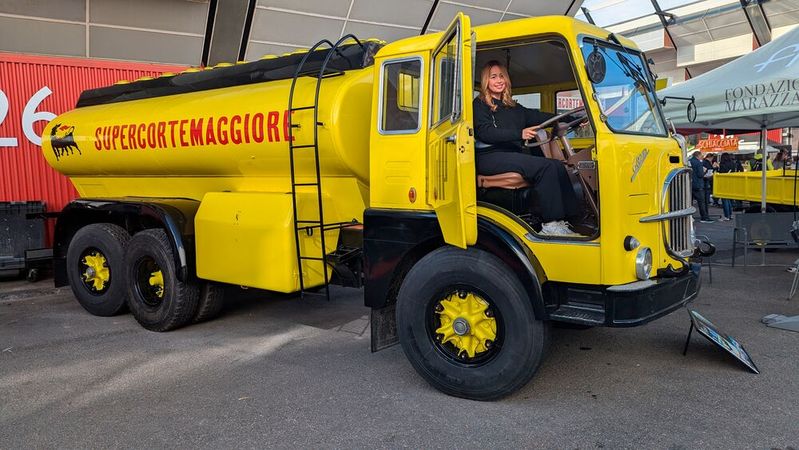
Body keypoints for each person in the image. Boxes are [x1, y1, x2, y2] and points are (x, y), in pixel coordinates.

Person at [472, 60, 581, 236]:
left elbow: (540, 116)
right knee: (545, 167)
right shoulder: (479, 105)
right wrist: (519, 134)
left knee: (556, 165)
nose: (499, 80)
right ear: (486, 81)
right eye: (493, 77)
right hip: (489, 156)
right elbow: (486, 133)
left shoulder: (514, 107)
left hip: (510, 155)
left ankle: (572, 218)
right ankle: (550, 225)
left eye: (502, 76)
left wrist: (573, 118)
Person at [689, 150, 713, 223]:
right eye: (701, 156)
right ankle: (704, 217)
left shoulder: (689, 161)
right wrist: (705, 171)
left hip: (690, 184)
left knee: (690, 202)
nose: (702, 157)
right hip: (698, 185)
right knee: (701, 202)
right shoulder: (699, 163)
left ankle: (690, 217)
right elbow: (700, 175)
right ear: (698, 156)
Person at [717, 153, 736, 221]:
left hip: (724, 183)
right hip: (731, 183)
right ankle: (730, 215)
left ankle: (726, 216)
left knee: (725, 200)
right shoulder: (733, 163)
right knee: (730, 200)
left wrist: (717, 168)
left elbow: (721, 173)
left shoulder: (722, 164)